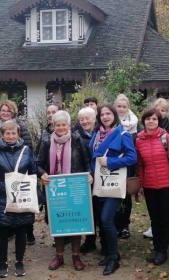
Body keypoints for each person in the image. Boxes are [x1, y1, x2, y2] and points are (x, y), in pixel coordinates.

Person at [37, 110, 93, 271]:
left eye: (64, 124)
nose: (61, 127)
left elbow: (87, 162)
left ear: (69, 125)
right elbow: (38, 162)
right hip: (54, 188)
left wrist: (90, 174)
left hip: (75, 187)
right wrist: (42, 174)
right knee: (58, 220)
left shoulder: (78, 140)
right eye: (57, 125)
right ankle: (59, 256)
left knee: (75, 221)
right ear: (53, 126)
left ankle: (76, 256)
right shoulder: (47, 141)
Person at [0, 120, 37, 278]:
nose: (11, 136)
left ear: (18, 134)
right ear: (2, 134)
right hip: (1, 197)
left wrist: (34, 196)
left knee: (21, 229)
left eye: (14, 133)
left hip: (22, 196)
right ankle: (3, 263)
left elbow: (33, 173)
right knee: (1, 232)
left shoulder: (26, 151)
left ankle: (19, 261)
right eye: (7, 133)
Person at [89, 104, 136, 275]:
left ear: (114, 115)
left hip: (114, 184)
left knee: (107, 219)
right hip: (99, 183)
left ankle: (114, 258)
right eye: (102, 114)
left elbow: (132, 157)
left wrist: (110, 162)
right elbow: (92, 159)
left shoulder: (123, 135)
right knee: (102, 221)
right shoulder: (96, 135)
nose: (105, 117)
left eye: (108, 113)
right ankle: (110, 254)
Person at [136, 108, 169, 266]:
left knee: (165, 218)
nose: (151, 121)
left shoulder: (166, 138)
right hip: (149, 186)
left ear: (158, 121)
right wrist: (141, 184)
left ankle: (162, 250)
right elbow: (140, 165)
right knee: (154, 218)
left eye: (154, 119)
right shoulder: (139, 140)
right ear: (144, 121)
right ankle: (156, 247)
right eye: (148, 119)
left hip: (167, 185)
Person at [0, 100, 35, 245]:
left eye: (8, 111)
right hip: (2, 168)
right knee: (7, 204)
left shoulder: (20, 126)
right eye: (3, 110)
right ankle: (10, 230)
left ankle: (28, 232)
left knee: (23, 202)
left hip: (20, 168)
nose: (5, 113)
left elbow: (28, 145)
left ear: (13, 112)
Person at [114, 94, 138, 239]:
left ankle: (125, 225)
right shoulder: (111, 122)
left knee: (125, 196)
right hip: (113, 165)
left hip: (129, 164)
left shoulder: (135, 124)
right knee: (114, 194)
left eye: (124, 106)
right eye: (119, 106)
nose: (121, 109)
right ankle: (114, 224)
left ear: (128, 107)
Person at [74, 107, 97, 254]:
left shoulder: (101, 134)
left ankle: (105, 241)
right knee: (89, 210)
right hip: (84, 177)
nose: (85, 121)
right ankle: (90, 240)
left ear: (95, 119)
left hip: (102, 177)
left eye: (88, 118)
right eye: (82, 119)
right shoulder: (75, 136)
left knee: (101, 211)